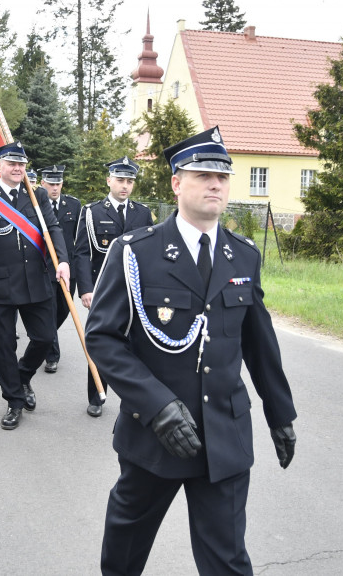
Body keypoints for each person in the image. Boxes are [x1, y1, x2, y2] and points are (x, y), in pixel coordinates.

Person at [84, 127, 297, 576]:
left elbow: (260, 342)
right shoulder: (135, 253)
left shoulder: (243, 255)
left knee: (228, 561)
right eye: (203, 175)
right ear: (177, 183)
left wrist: (281, 414)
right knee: (124, 553)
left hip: (224, 434)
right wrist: (157, 406)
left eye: (223, 176)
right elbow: (102, 337)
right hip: (154, 436)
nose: (215, 184)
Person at [0, 141, 69, 430]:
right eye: (12, 163)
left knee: (45, 338)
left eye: (22, 164)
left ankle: (23, 377)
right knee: (3, 346)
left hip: (36, 281)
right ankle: (13, 400)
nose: (17, 168)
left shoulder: (37, 196)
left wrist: (62, 260)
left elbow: (53, 228)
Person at [74, 156, 154, 417]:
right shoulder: (92, 212)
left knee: (137, 345)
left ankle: (136, 398)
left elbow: (150, 256)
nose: (125, 186)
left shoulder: (142, 213)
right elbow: (82, 254)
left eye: (130, 181)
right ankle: (97, 394)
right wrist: (86, 289)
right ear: (109, 180)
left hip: (135, 291)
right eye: (120, 180)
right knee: (100, 341)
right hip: (103, 288)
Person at [30, 165, 81, 375]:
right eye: (51, 184)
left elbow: (79, 237)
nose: (55, 187)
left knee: (63, 310)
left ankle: (46, 338)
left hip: (68, 268)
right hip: (45, 268)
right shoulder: (35, 204)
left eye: (58, 183)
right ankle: (51, 355)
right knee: (49, 312)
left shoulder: (74, 205)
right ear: (43, 184)